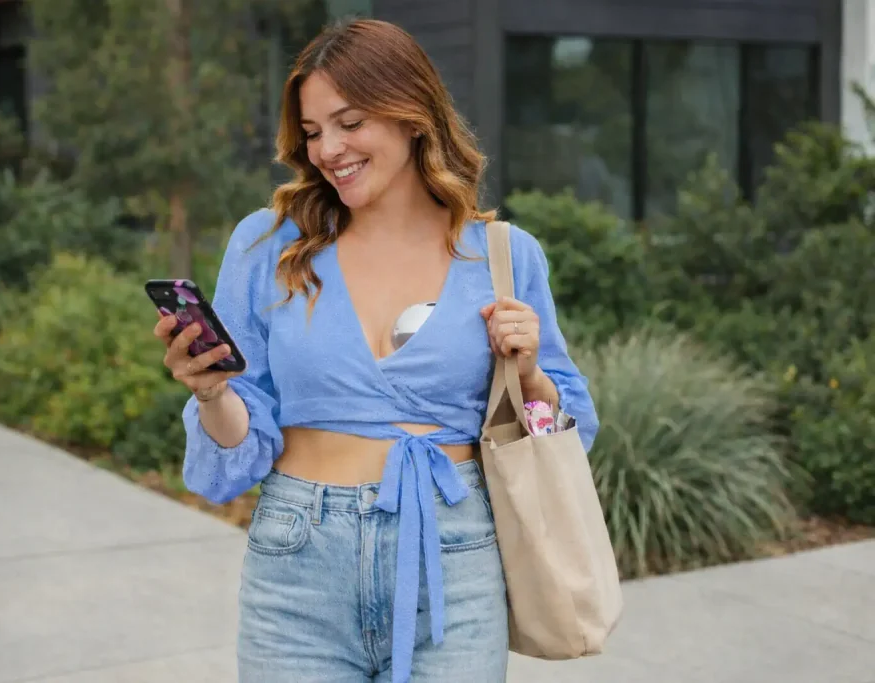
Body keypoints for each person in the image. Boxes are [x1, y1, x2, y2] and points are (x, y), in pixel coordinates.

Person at [153, 18, 599, 683]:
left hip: (455, 560)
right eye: (312, 132)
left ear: (411, 115)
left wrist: (530, 371)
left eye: (349, 122)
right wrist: (212, 390)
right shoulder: (268, 244)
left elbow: (569, 431)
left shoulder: (504, 257)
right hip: (299, 566)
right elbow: (233, 456)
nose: (329, 148)